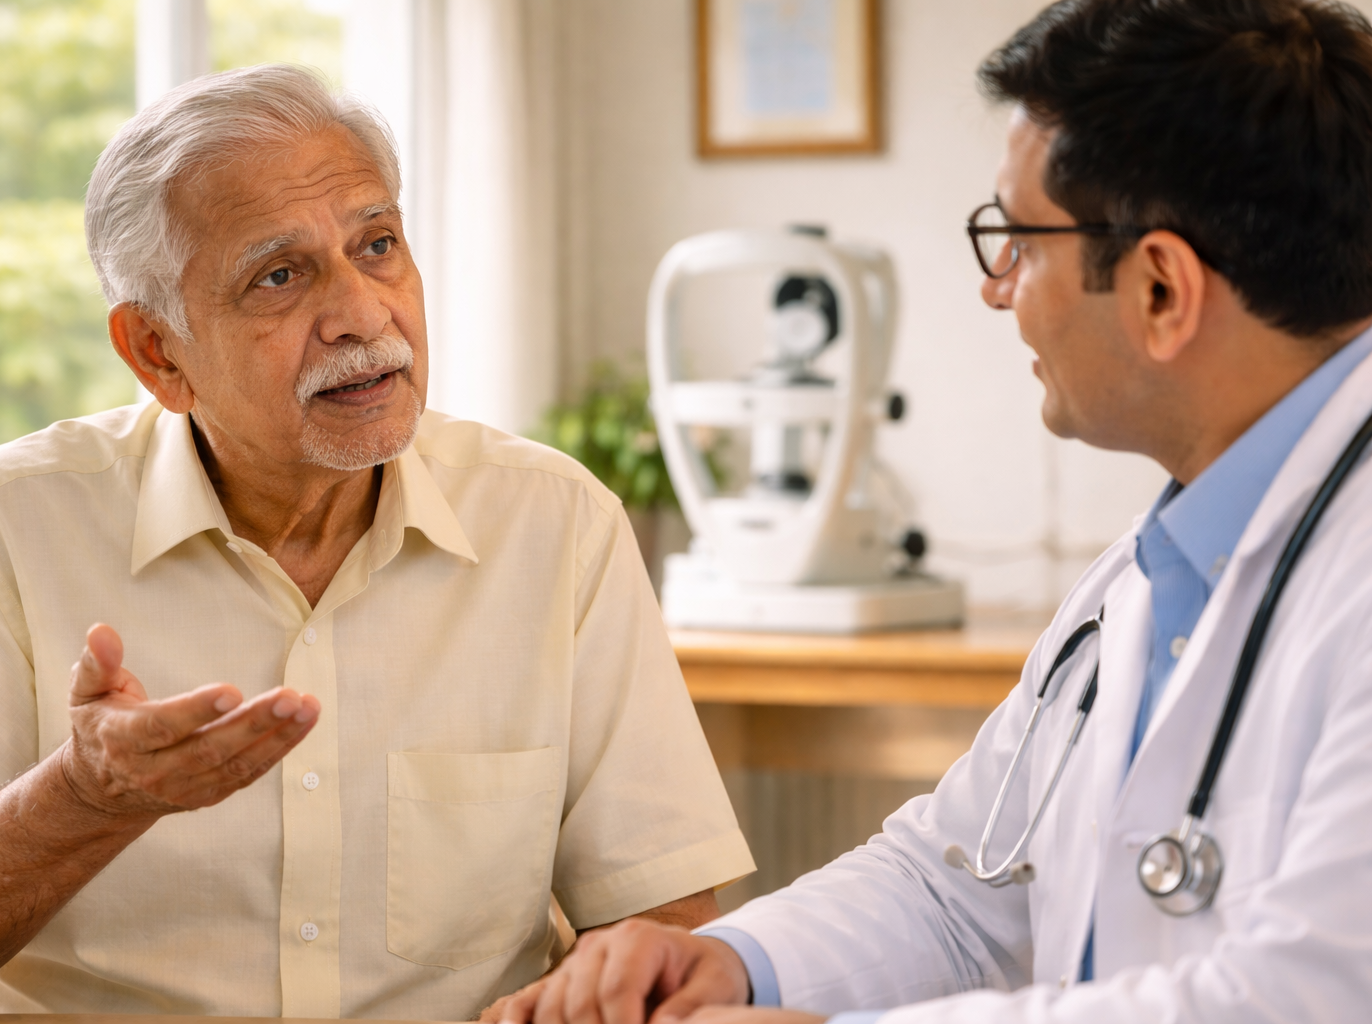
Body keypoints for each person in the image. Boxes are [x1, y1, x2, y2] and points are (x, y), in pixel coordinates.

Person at [490, 1, 1372, 1022]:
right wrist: (728, 963)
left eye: (1018, 240)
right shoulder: (1156, 567)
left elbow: (1308, 996)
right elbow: (956, 886)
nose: (999, 290)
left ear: (1162, 289)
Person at [0, 64, 754, 1019]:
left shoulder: (555, 521)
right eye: (280, 275)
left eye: (379, 245)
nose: (364, 315)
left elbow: (660, 925)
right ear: (158, 351)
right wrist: (82, 801)